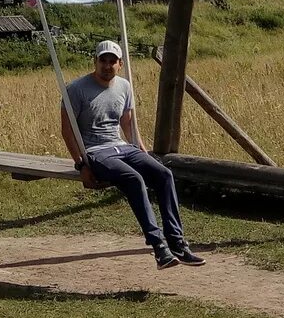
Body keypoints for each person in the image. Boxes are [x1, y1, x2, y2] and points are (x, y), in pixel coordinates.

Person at [61, 40, 204, 269]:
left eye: (112, 62)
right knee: (134, 179)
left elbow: (128, 126)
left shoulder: (124, 86)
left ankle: (177, 242)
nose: (107, 66)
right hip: (96, 152)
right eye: (103, 61)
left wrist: (144, 154)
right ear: (95, 62)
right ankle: (159, 248)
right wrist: (81, 165)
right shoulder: (76, 89)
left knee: (163, 174)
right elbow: (67, 130)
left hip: (122, 147)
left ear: (120, 64)